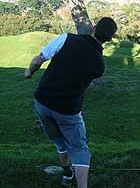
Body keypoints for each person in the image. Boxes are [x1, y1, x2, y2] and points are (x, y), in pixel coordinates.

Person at [24, 17, 117, 188]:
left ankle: (67, 174)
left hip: (42, 102)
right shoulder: (99, 65)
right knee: (79, 149)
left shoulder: (67, 38)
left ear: (93, 27)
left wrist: (29, 72)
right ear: (109, 39)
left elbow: (38, 60)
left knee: (59, 142)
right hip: (68, 110)